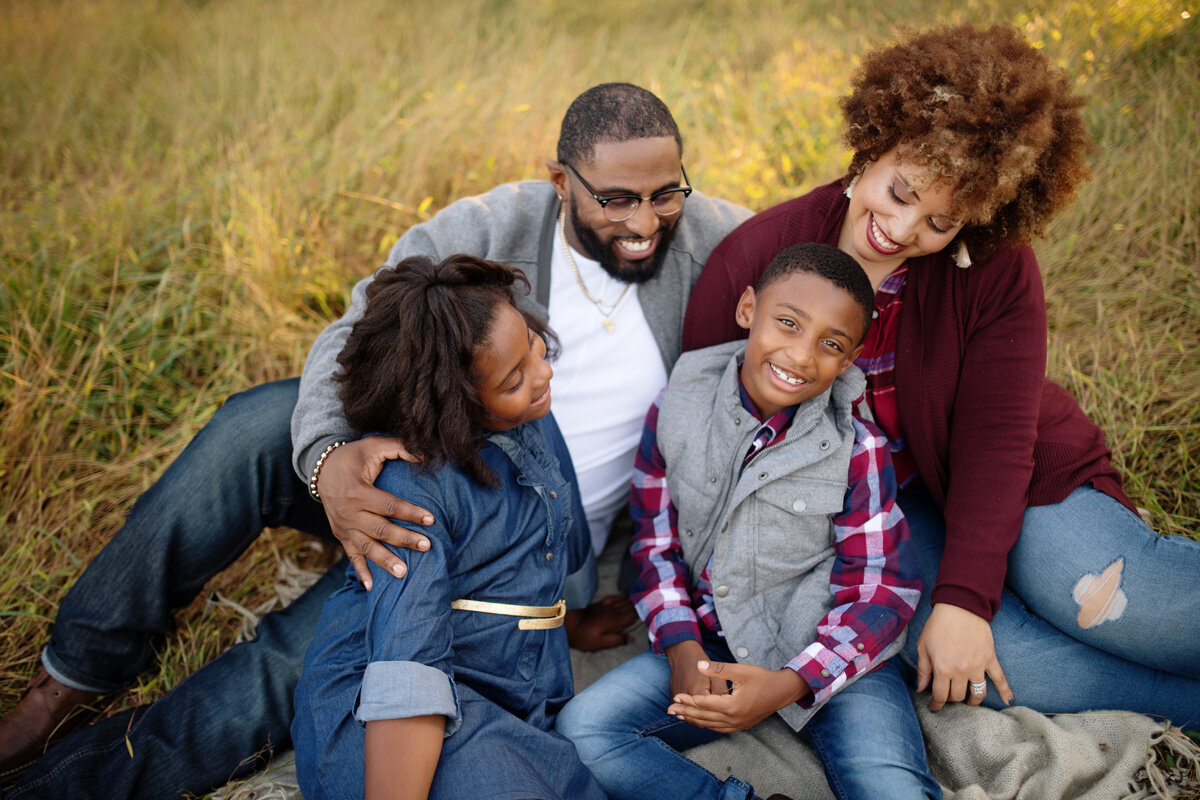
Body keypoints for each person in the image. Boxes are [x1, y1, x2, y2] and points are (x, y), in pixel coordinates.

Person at [0, 83, 750, 798]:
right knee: (251, 424)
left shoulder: (714, 242)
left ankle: (81, 781)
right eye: (615, 198)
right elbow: (357, 328)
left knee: (298, 657)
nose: (646, 220)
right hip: (415, 461)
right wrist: (329, 460)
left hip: (515, 538)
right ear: (560, 180)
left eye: (665, 193)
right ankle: (73, 674)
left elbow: (820, 259)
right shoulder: (490, 228)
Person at [681, 24, 1200, 727]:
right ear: (873, 144)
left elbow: (997, 439)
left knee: (1109, 604)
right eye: (898, 191)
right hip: (874, 517)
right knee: (996, 664)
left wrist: (965, 596)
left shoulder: (996, 267)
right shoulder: (757, 260)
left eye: (939, 220)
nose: (899, 229)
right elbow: (707, 446)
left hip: (1013, 475)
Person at [558, 243, 937, 800]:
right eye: (787, 323)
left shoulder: (856, 447)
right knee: (583, 730)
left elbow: (882, 591)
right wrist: (685, 652)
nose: (802, 356)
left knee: (891, 789)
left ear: (850, 358)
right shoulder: (677, 407)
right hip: (713, 642)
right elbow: (653, 543)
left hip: (824, 654)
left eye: (830, 345)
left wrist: (790, 683)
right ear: (747, 310)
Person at [291, 254, 605, 800]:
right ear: (454, 407)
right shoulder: (413, 493)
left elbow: (547, 527)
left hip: (492, 684)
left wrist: (568, 618)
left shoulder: (527, 419)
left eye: (533, 344)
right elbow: (405, 667)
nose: (544, 372)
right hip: (381, 720)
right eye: (514, 378)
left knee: (569, 780)